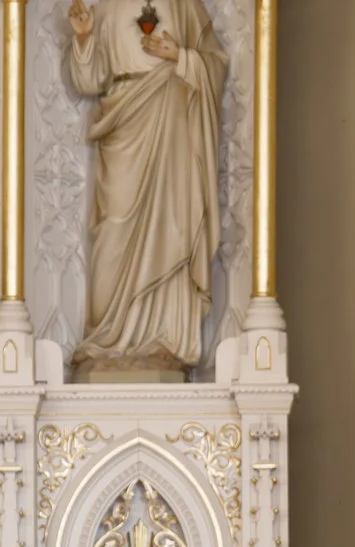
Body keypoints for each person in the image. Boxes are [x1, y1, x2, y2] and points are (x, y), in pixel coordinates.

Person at [63, 0, 227, 379]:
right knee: (114, 226)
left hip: (172, 119)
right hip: (122, 122)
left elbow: (215, 64)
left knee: (171, 222)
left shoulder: (184, 5)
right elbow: (90, 82)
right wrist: (84, 38)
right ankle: (107, 338)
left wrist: (180, 57)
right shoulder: (105, 8)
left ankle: (163, 339)